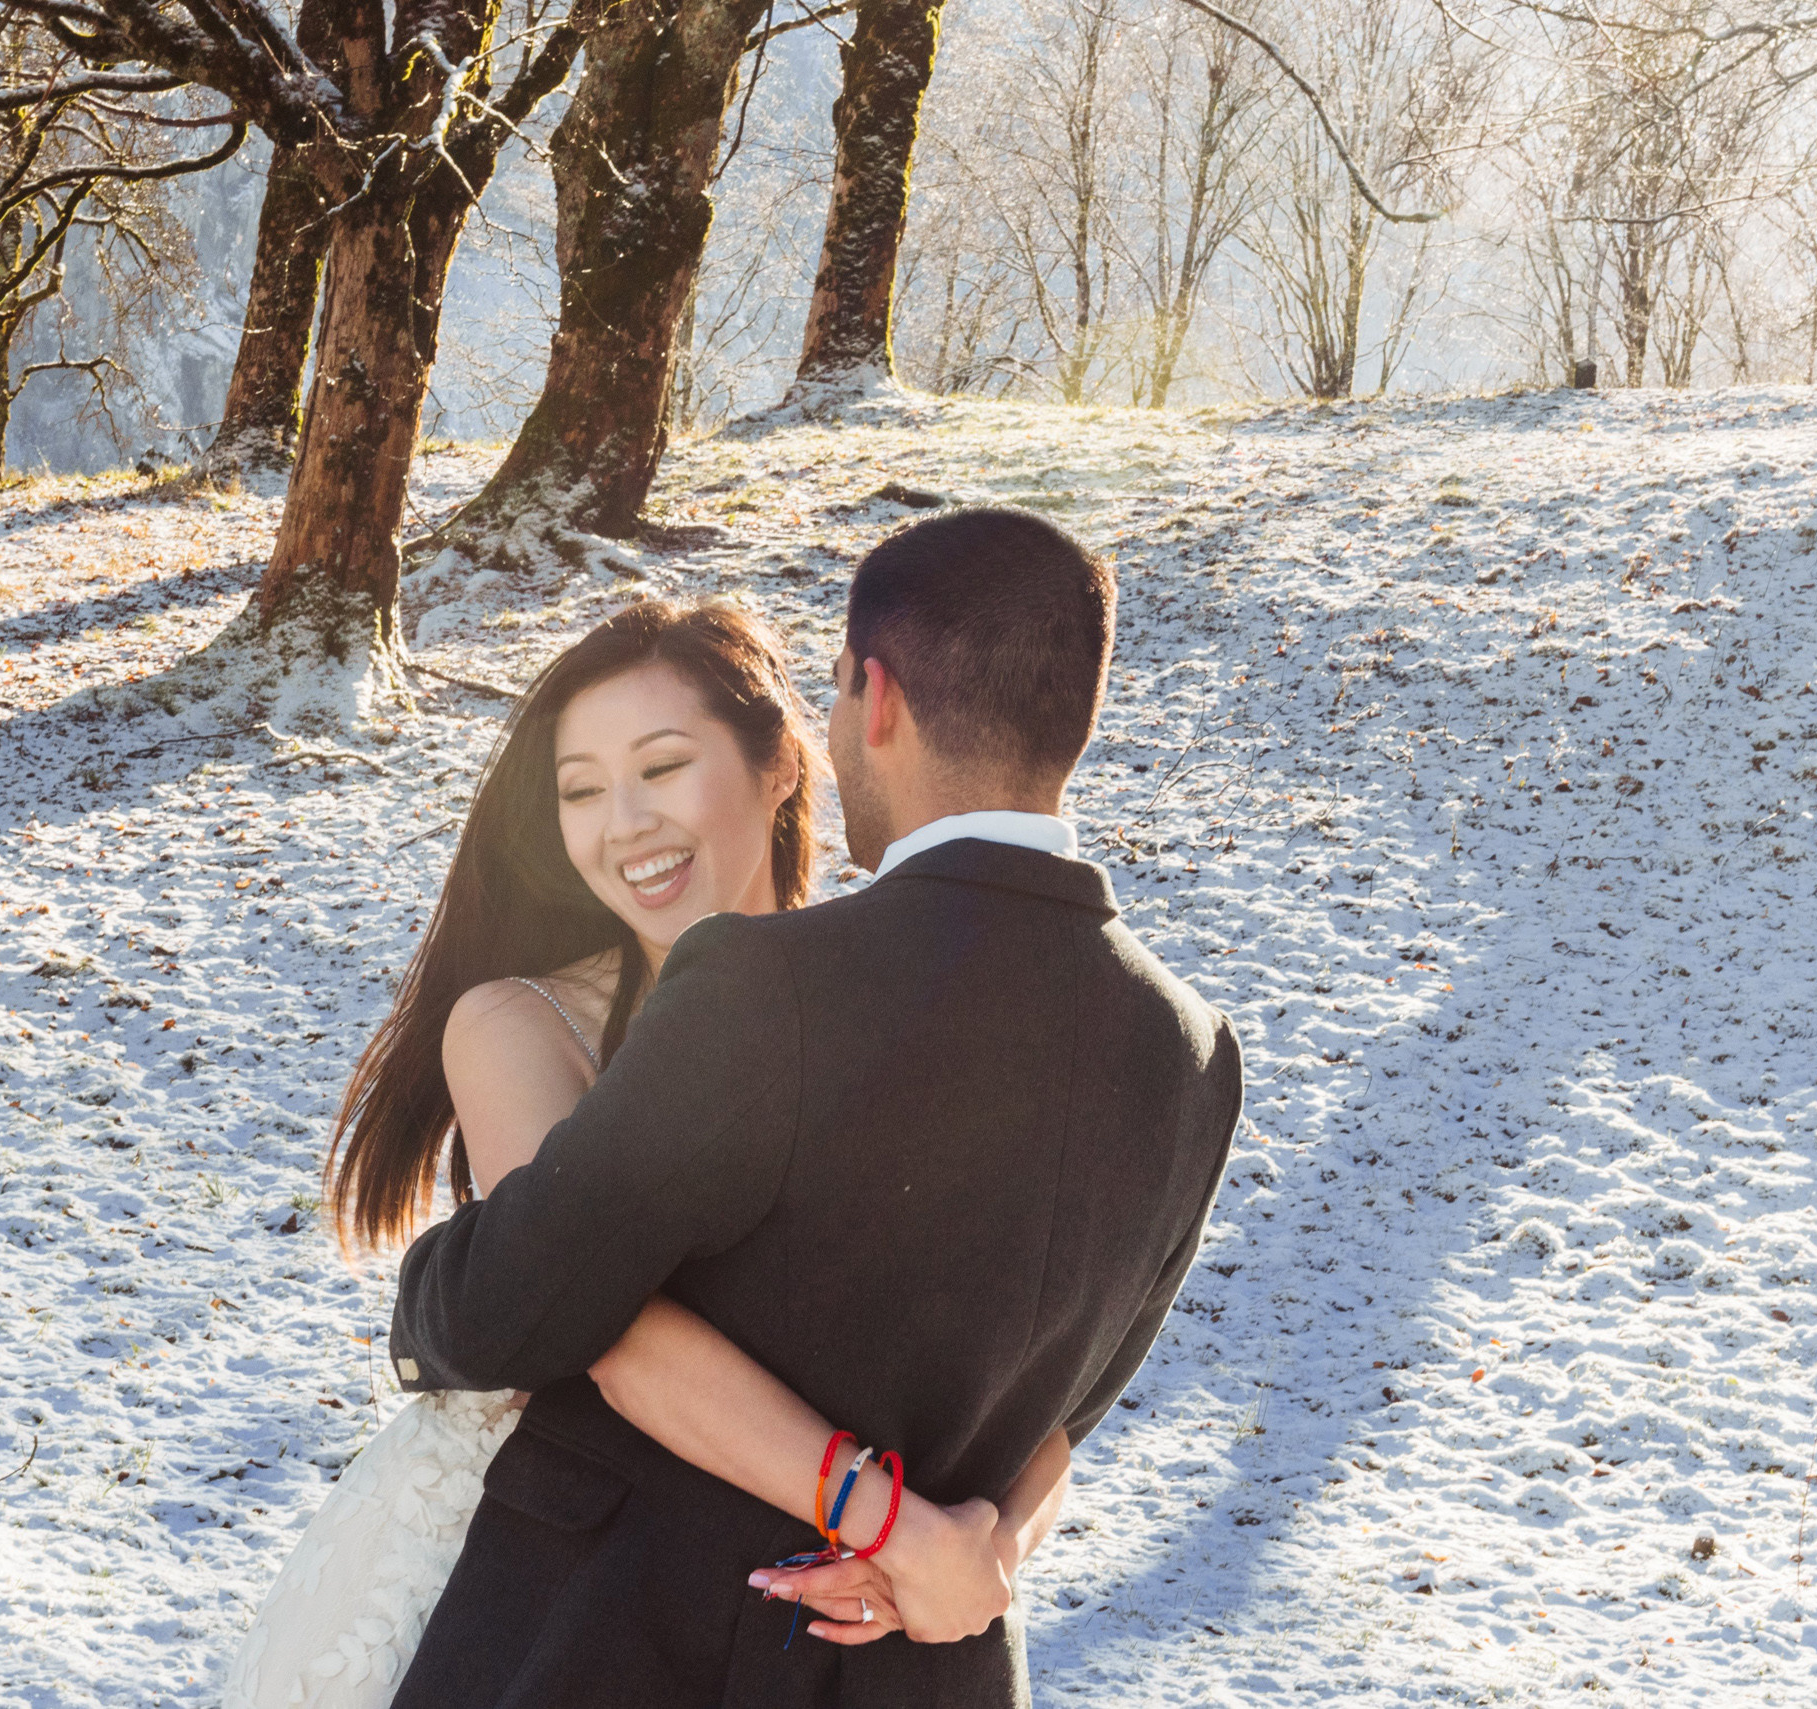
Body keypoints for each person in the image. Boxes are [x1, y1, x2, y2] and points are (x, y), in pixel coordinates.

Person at [387, 508, 1245, 1707]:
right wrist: (969, 1556)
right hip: (923, 1667)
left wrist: (432, 1276)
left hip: (624, 1647)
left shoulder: (766, 982)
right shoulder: (1194, 1051)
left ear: (870, 696)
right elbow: (1065, 1416)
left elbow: (510, 1310)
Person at [223, 601, 1024, 1709]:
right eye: (582, 789)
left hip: (814, 1605)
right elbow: (600, 1320)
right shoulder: (518, 1025)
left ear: (781, 765)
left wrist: (988, 1541)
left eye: (661, 767)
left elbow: (1035, 1329)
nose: (624, 824)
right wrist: (904, 1526)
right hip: (535, 1564)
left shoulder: (894, 1009)